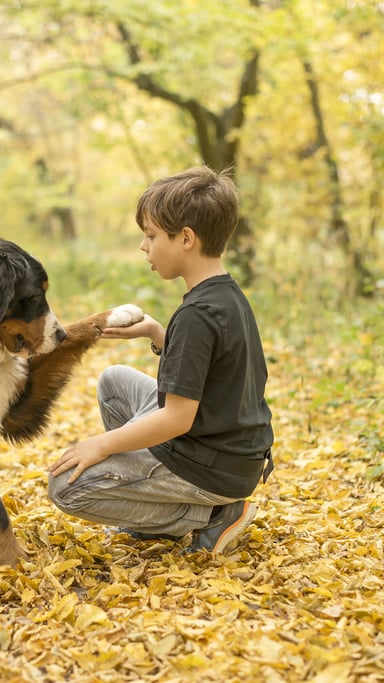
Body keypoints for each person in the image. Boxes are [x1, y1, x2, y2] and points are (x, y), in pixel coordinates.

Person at [48, 166, 274, 554]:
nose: (143, 246)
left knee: (66, 487)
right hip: (232, 449)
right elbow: (211, 368)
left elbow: (177, 418)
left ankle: (211, 515)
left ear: (186, 238)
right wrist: (156, 332)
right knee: (114, 382)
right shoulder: (226, 295)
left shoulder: (197, 314)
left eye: (151, 235)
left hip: (210, 464)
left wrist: (101, 445)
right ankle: (162, 517)